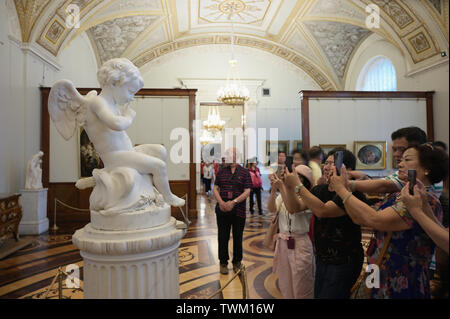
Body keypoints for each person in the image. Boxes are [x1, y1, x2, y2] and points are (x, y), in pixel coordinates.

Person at [50, 58, 184, 208]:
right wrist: (129, 116)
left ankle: (145, 188)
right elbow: (116, 124)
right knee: (159, 166)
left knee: (160, 150)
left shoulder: (111, 104)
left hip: (126, 151)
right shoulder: (97, 102)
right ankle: (168, 197)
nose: (131, 97)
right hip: (115, 156)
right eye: (130, 91)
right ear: (114, 83)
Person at [329, 143, 448, 298]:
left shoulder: (424, 200)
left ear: (427, 169)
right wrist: (344, 188)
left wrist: (342, 190)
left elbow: (375, 219)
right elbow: (360, 218)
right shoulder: (400, 195)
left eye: (407, 159)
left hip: (401, 276)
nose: (400, 163)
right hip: (377, 267)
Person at [283, 149, 366, 299]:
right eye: (326, 163)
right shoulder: (319, 190)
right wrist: (288, 186)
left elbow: (323, 211)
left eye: (331, 163)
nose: (326, 167)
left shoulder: (350, 193)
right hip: (322, 257)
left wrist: (298, 186)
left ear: (346, 170)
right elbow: (294, 208)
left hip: (343, 260)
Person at [268, 165, 315, 299]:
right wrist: (273, 191)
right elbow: (272, 209)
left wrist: (283, 187)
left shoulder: (308, 197)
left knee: (302, 284)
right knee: (285, 282)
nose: (292, 179)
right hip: (283, 243)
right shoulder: (283, 195)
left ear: (304, 181)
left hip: (300, 243)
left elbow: (293, 208)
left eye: (298, 177)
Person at [213, 148, 252, 274]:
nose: (229, 157)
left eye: (232, 155)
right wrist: (221, 202)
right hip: (222, 209)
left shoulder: (245, 172)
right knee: (222, 237)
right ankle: (223, 262)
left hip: (238, 210)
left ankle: (237, 262)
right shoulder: (221, 171)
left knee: (238, 237)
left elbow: (247, 191)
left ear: (237, 156)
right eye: (228, 155)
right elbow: (215, 188)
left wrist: (233, 202)